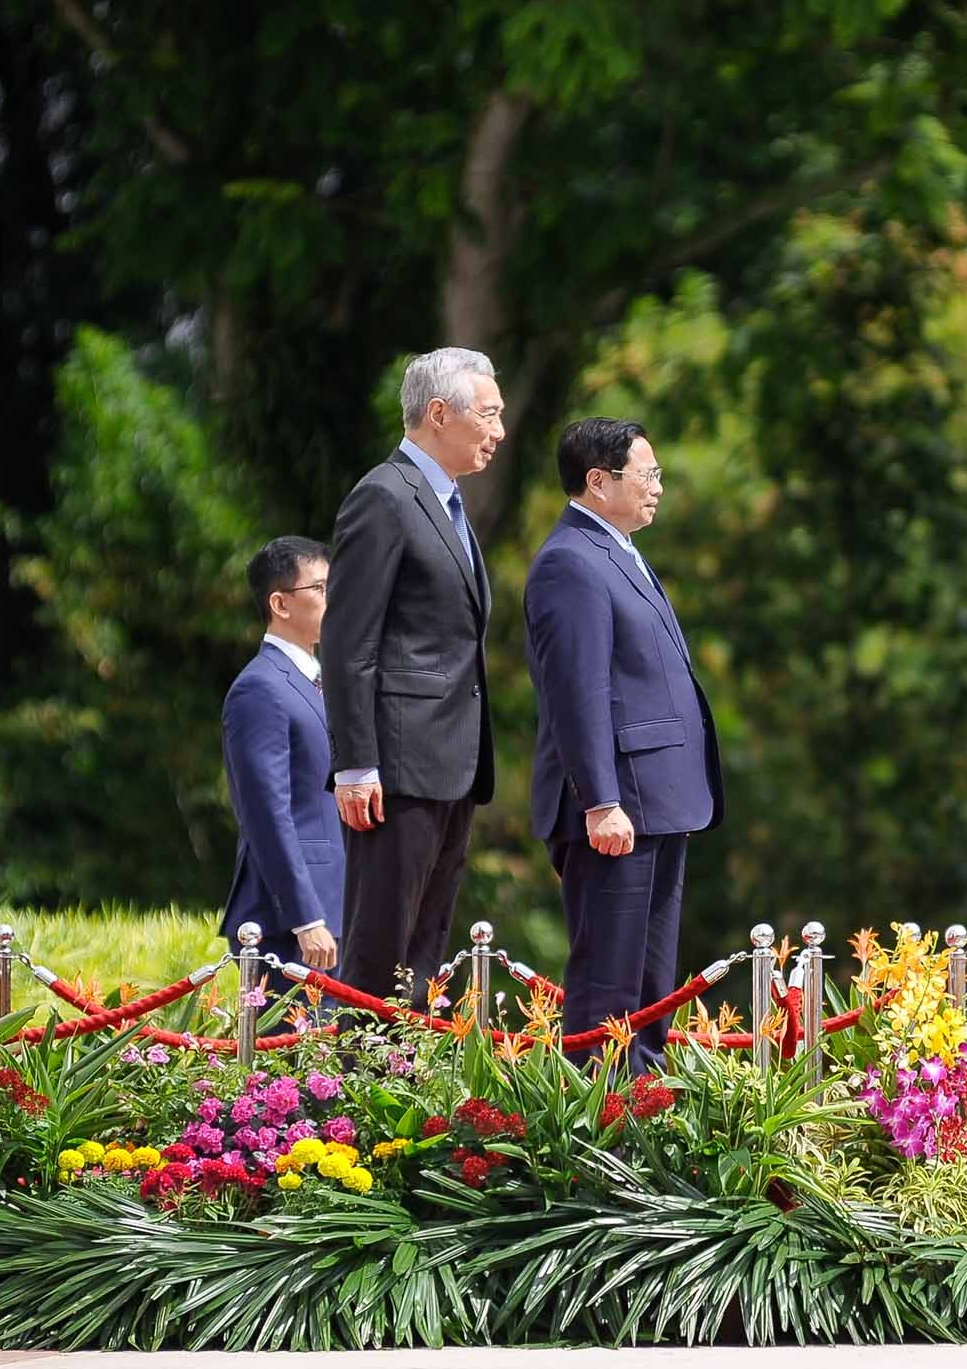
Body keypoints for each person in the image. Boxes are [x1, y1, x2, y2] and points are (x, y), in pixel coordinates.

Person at [524, 418, 723, 1074]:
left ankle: (643, 1128)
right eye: (649, 474)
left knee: (650, 993)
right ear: (598, 481)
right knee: (609, 993)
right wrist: (600, 801)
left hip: (656, 801)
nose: (658, 487)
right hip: (615, 809)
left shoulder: (618, 550)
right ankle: (596, 1141)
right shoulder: (570, 561)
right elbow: (577, 692)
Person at [321, 347, 503, 1005]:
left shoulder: (448, 502)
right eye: (488, 414)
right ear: (438, 413)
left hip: (452, 760)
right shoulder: (384, 495)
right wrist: (355, 763)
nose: (499, 431)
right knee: (378, 949)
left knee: (422, 954)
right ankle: (348, 1097)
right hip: (394, 767)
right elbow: (347, 642)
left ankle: (406, 1086)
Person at [220, 537, 344, 998]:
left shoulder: (318, 679)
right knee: (291, 1066)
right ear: (280, 603)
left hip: (336, 907)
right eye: (322, 588)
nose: (336, 599)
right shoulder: (260, 689)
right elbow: (266, 814)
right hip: (289, 924)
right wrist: (304, 917)